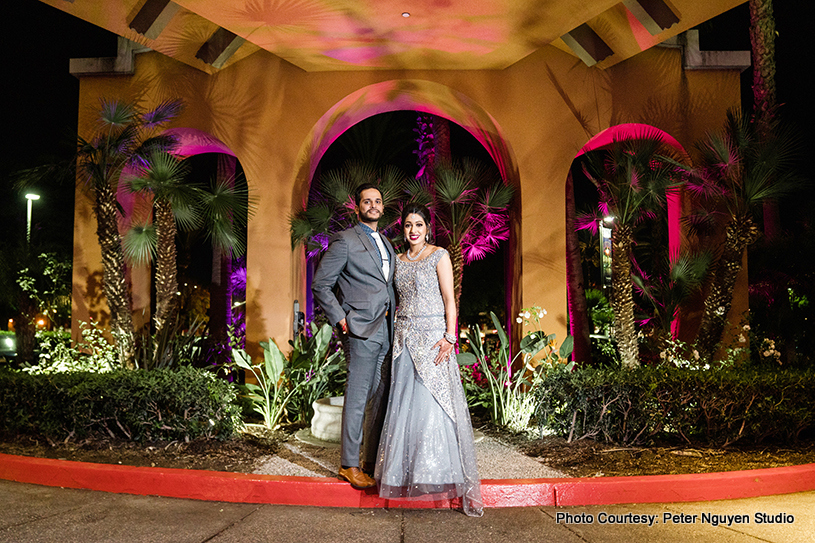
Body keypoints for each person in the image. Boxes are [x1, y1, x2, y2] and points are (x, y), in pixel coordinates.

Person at [375, 203, 484, 517]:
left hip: (434, 339)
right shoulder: (396, 261)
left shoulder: (439, 255)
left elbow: (450, 299)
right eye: (408, 225)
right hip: (403, 340)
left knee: (433, 405)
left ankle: (436, 474)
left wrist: (450, 337)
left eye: (419, 225)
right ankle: (403, 475)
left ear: (427, 228)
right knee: (404, 408)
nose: (413, 230)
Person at [311, 183, 396, 490]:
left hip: (386, 330)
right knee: (359, 395)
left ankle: (370, 460)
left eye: (377, 200)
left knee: (377, 395)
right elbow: (321, 284)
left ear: (383, 208)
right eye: (366, 201)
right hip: (359, 329)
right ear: (358, 207)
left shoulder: (387, 243)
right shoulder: (345, 241)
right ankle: (349, 464)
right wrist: (341, 318)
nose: (372, 205)